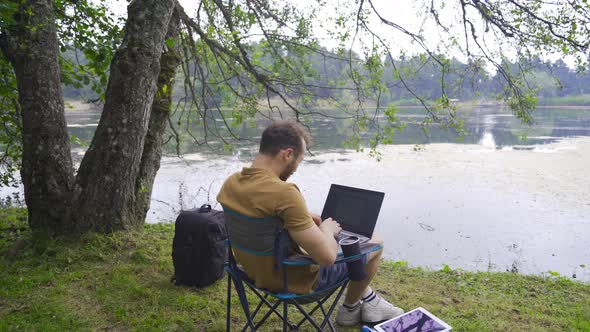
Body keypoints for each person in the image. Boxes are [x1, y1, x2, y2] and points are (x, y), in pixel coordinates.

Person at [217, 120, 404, 326]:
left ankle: (369, 299)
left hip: (252, 274)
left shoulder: (232, 183)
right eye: (299, 159)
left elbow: (262, 213)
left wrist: (302, 216)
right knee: (375, 241)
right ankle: (350, 309)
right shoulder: (284, 193)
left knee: (332, 241)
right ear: (287, 154)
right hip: (294, 284)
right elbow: (327, 258)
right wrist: (327, 229)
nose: (296, 167)